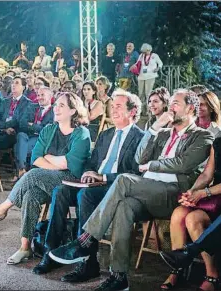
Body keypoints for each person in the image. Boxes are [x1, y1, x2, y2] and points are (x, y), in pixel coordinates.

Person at [49, 89, 214, 291]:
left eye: (176, 104)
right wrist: (154, 128)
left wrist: (152, 165)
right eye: (170, 103)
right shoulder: (162, 134)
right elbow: (139, 159)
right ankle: (119, 277)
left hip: (172, 193)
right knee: (124, 207)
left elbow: (183, 164)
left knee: (124, 180)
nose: (170, 108)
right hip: (147, 191)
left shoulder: (202, 136)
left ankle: (86, 239)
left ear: (191, 108)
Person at [33, 89, 144, 280]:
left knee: (85, 196)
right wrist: (87, 173)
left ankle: (88, 262)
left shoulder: (141, 137)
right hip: (94, 183)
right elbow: (91, 162)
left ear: (132, 111)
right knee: (60, 191)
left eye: (118, 106)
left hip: (116, 186)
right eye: (112, 106)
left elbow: (136, 172)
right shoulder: (106, 134)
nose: (113, 110)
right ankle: (51, 252)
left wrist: (103, 178)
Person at [0, 92, 91, 266]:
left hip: (71, 181)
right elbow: (36, 158)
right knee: (30, 194)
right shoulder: (49, 129)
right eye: (56, 104)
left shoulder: (81, 133)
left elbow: (71, 165)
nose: (56, 108)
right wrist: (56, 162)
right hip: (47, 177)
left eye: (61, 105)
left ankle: (2, 209)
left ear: (73, 111)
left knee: (32, 174)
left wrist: (50, 157)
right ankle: (25, 247)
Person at [160, 135, 221, 291]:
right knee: (179, 213)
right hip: (212, 195)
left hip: (213, 195)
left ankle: (212, 276)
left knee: (193, 219)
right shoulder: (218, 141)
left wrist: (203, 193)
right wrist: (192, 191)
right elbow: (207, 174)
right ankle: (178, 270)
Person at [13, 86, 54, 181]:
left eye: (42, 95)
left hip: (42, 139)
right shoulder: (32, 107)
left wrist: (33, 126)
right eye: (38, 95)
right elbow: (22, 123)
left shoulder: (54, 111)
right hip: (28, 136)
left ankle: (21, 170)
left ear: (50, 96)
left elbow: (49, 129)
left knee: (18, 147)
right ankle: (23, 169)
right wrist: (38, 127)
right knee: (21, 135)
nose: (39, 97)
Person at [0, 76, 31, 150]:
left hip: (15, 132)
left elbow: (19, 121)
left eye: (17, 83)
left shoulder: (28, 103)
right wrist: (5, 129)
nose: (13, 85)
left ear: (23, 87)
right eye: (12, 83)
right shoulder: (5, 101)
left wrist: (5, 127)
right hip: (2, 131)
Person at [133, 43, 163, 111]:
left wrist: (158, 68)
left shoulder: (154, 56)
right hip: (141, 76)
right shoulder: (141, 55)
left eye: (146, 51)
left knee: (148, 93)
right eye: (144, 51)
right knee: (140, 93)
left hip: (150, 76)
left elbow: (160, 63)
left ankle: (148, 110)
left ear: (149, 49)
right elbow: (137, 64)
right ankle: (141, 109)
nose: (145, 52)